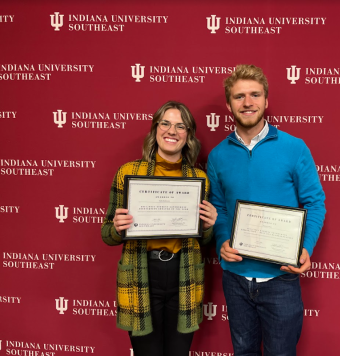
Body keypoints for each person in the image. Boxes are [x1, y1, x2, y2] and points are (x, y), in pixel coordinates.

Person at [207, 64, 326, 356]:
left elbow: (315, 202)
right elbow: (219, 207)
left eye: (255, 95)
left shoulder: (294, 148)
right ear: (228, 104)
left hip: (281, 278)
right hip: (235, 278)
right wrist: (222, 240)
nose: (248, 102)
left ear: (266, 101)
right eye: (239, 96)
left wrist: (305, 247)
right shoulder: (218, 155)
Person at [101, 101, 217, 356]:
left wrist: (209, 225)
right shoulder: (128, 173)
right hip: (141, 275)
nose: (171, 131)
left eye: (180, 125)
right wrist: (117, 228)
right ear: (155, 130)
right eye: (165, 123)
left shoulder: (199, 179)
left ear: (188, 135)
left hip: (184, 274)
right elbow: (106, 234)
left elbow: (205, 239)